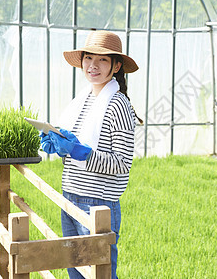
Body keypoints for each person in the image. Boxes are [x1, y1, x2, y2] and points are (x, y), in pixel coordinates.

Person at [40, 30, 140, 279]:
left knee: (98, 274)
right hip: (71, 196)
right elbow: (76, 150)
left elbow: (121, 164)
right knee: (76, 271)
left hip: (97, 205)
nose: (92, 65)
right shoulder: (83, 100)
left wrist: (80, 152)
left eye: (103, 60)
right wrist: (59, 144)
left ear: (117, 66)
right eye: (88, 58)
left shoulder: (118, 104)